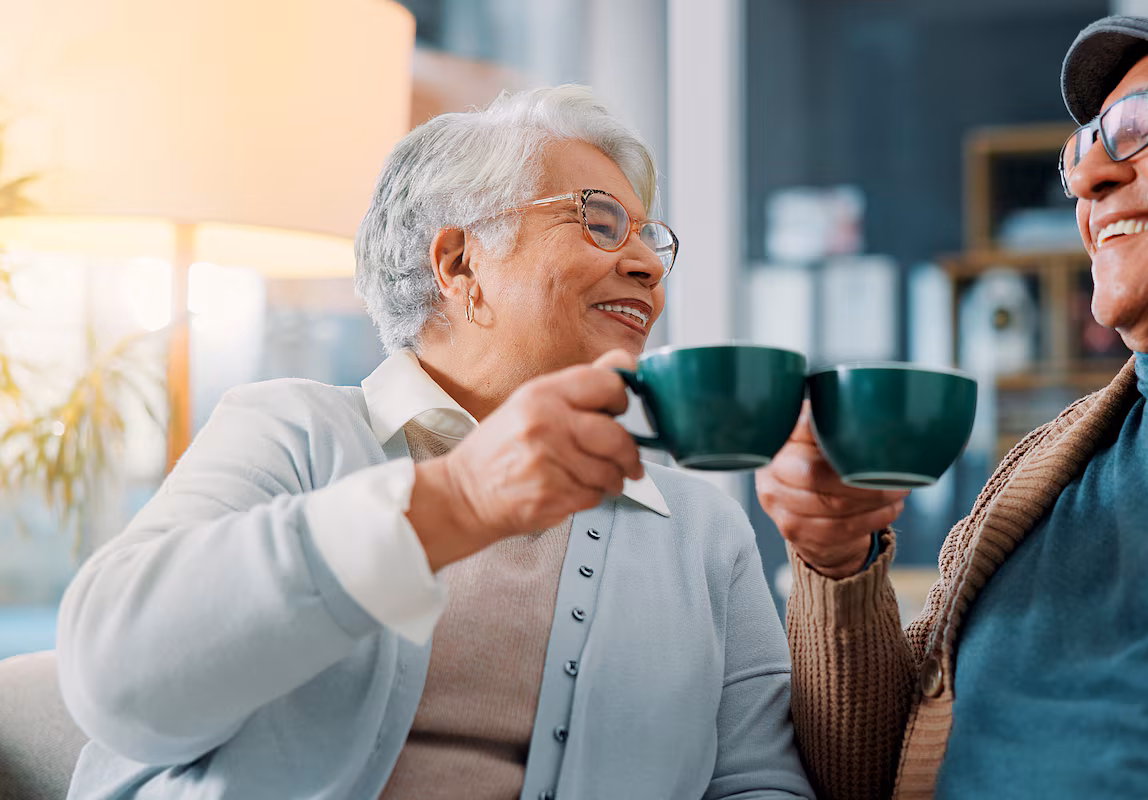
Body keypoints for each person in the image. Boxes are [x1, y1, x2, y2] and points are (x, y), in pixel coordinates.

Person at [56, 85, 814, 799]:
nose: (648, 264)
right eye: (599, 222)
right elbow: (113, 680)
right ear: (459, 263)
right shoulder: (291, 431)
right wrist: (460, 497)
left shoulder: (702, 530)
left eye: (651, 238)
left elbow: (760, 783)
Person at [757, 13, 1148, 800]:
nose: (1091, 179)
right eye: (1081, 152)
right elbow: (866, 770)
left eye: (1137, 128)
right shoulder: (1044, 469)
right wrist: (837, 564)